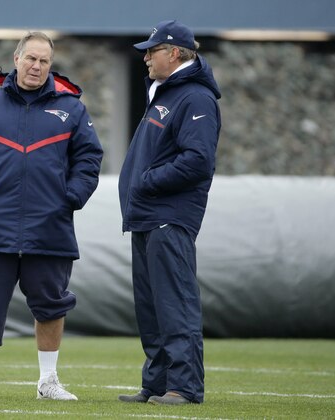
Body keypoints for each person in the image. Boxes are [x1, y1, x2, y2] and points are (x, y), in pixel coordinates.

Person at [0, 31, 103, 401]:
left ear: (50, 65)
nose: (37, 66)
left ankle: (48, 381)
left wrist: (72, 197)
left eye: (44, 61)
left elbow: (89, 159)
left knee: (51, 304)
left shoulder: (72, 108)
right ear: (16, 59)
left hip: (51, 226)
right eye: (31, 59)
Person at [117, 20, 222, 405]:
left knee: (174, 303)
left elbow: (198, 160)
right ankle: (158, 383)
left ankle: (185, 387)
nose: (145, 57)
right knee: (150, 307)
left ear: (175, 52)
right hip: (147, 216)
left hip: (169, 215)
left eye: (152, 50)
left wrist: (146, 180)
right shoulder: (165, 93)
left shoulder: (194, 97)